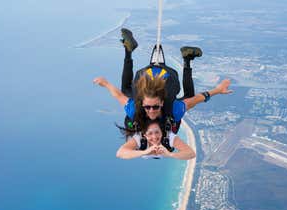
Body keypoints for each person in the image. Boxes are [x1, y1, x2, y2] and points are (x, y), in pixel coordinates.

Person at [93, 28, 233, 136]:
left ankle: (187, 59)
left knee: (188, 96)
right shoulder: (164, 111)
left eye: (151, 107)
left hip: (165, 74)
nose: (151, 110)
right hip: (147, 73)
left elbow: (195, 99)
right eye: (150, 107)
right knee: (127, 90)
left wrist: (105, 84)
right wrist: (218, 90)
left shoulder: (168, 111)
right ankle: (128, 50)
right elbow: (118, 95)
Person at [116, 118, 195, 160]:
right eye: (150, 133)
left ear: (162, 132)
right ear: (145, 135)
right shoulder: (140, 139)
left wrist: (170, 154)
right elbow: (120, 153)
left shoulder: (168, 137)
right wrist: (145, 152)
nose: (154, 137)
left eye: (157, 132)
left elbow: (191, 153)